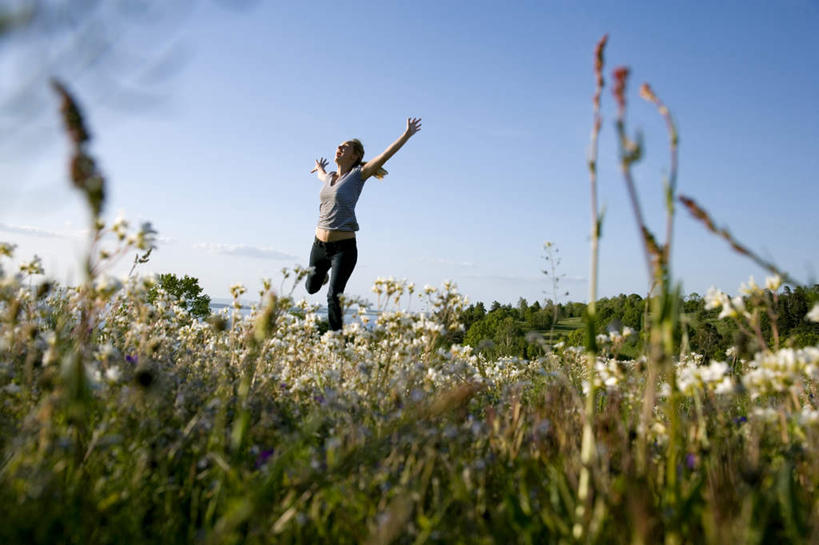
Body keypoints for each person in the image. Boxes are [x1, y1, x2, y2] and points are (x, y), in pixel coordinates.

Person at [305, 117, 422, 331]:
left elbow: (386, 155)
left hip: (344, 249)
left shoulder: (359, 175)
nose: (339, 148)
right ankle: (322, 276)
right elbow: (321, 176)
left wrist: (406, 135)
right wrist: (320, 168)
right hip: (319, 246)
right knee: (311, 288)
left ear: (356, 155)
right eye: (339, 146)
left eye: (345, 147)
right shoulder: (330, 177)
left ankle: (335, 344)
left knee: (334, 296)